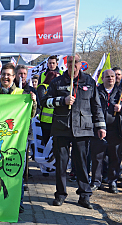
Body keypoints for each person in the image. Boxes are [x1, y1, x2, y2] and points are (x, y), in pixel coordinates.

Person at [41, 55, 106, 209]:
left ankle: (84, 196)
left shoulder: (89, 81)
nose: (73, 65)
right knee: (61, 164)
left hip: (83, 129)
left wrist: (101, 126)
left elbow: (96, 106)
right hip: (61, 128)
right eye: (70, 62)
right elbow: (45, 102)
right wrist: (62, 101)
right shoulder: (57, 81)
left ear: (80, 64)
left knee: (82, 164)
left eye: (75, 62)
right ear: (66, 64)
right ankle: (60, 194)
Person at [0, 63, 37, 213]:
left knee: (16, 173)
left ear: (14, 77)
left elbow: (31, 115)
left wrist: (33, 102)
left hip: (16, 141)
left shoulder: (22, 93)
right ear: (0, 76)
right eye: (3, 74)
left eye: (9, 75)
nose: (6, 77)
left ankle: (17, 203)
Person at [90, 69, 122, 194]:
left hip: (116, 129)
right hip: (99, 128)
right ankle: (96, 181)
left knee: (115, 156)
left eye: (113, 76)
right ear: (102, 78)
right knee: (97, 157)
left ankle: (112, 181)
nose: (111, 78)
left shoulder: (120, 92)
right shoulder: (96, 92)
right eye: (107, 76)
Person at [37, 71, 60, 177]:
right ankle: (45, 167)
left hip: (57, 122)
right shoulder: (43, 87)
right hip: (45, 122)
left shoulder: (60, 88)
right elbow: (43, 100)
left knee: (56, 146)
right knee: (46, 146)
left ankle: (54, 166)